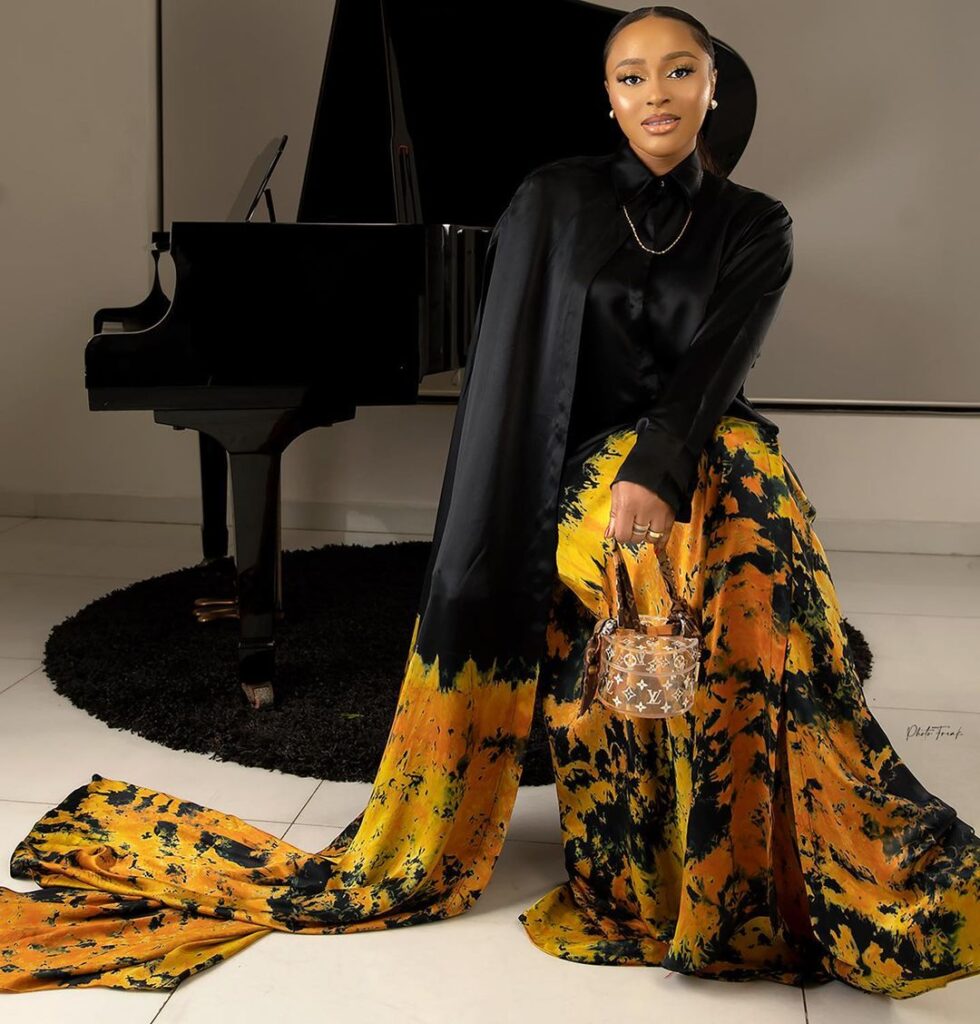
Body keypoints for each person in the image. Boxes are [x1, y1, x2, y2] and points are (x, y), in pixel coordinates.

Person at [2, 4, 979, 1000]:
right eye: (632, 76)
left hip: (703, 445)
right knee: (664, 560)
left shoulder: (756, 222)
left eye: (679, 71)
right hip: (581, 464)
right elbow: (515, 376)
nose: (656, 93)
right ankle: (667, 864)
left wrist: (661, 467)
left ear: (712, 87)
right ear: (607, 97)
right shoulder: (553, 198)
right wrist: (574, 493)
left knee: (754, 550)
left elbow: (715, 367)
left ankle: (790, 846)